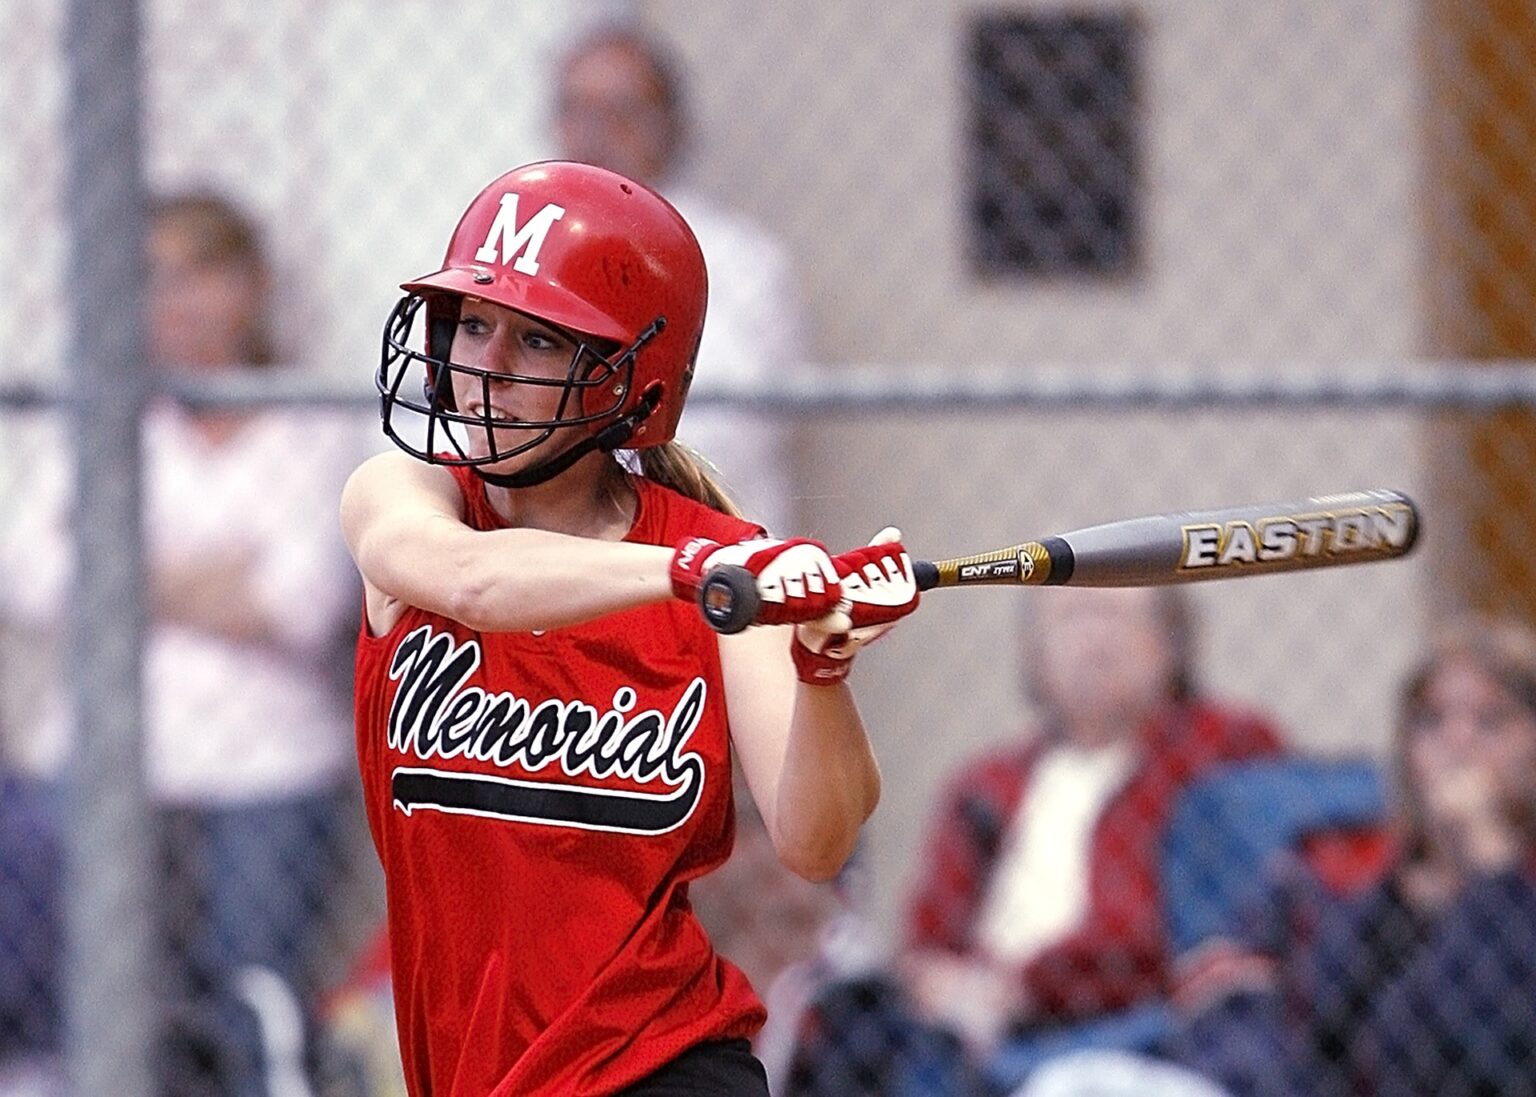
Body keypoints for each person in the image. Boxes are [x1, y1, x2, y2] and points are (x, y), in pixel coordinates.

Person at [346, 159, 919, 1096]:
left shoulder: (723, 561)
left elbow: (817, 841)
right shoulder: (409, 499)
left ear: (635, 385)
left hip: (660, 1064)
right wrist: (694, 575)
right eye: (474, 324)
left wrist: (823, 667)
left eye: (535, 342)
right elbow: (474, 581)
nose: (484, 364)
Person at [0, 191, 368, 1097]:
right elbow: (26, 571)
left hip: (268, 760)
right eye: (155, 280)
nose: (179, 301)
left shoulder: (312, 422)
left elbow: (301, 602)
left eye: (201, 273)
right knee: (81, 997)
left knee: (254, 1006)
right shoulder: (107, 414)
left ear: (251, 287)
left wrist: (117, 561)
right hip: (107, 757)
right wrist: (208, 574)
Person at [785, 585, 1285, 1095]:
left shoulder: (1221, 750)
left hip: (1144, 1027)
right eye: (1072, 617)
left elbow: (1175, 934)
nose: (1094, 639)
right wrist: (943, 985)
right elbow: (930, 937)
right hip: (978, 1036)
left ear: (1172, 642)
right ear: (1035, 651)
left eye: (1116, 615)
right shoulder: (988, 785)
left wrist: (1021, 987)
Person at [1019, 613, 1536, 1097]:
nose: (1457, 742)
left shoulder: (1520, 898)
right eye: (1433, 721)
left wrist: (1489, 859)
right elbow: (1241, 1014)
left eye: (1491, 721)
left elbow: (1459, 1051)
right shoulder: (1338, 867)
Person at [552, 23, 805, 537]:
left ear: (667, 123)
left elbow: (743, 428)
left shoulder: (741, 259)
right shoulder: (528, 241)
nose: (595, 130)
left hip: (711, 544)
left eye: (621, 111)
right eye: (577, 108)